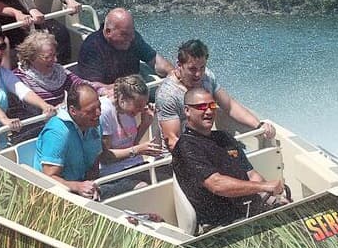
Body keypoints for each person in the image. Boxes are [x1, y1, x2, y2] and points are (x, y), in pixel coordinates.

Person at [171, 87, 287, 231]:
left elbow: (250, 174)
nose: (208, 111)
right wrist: (264, 187)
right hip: (223, 226)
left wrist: (274, 198)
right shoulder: (186, 147)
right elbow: (217, 185)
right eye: (201, 107)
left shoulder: (223, 137)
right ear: (187, 111)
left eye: (212, 105)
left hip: (252, 213)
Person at [155, 39, 275, 150]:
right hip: (179, 155)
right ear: (179, 65)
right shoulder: (167, 95)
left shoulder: (207, 76)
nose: (198, 74)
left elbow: (230, 106)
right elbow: (172, 139)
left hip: (206, 143)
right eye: (192, 69)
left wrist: (259, 125)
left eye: (202, 68)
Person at [33, 84, 128, 199]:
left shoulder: (95, 124)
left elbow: (95, 163)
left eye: (99, 107)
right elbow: (49, 177)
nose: (98, 113)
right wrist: (78, 187)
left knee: (138, 186)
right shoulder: (57, 132)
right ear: (73, 111)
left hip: (85, 188)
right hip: (58, 195)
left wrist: (91, 186)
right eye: (91, 111)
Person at [76, 7, 173, 93]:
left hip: (135, 84)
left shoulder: (133, 37)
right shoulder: (92, 48)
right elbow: (93, 87)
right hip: (113, 93)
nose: (131, 38)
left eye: (132, 32)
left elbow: (155, 60)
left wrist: (173, 73)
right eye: (124, 34)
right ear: (108, 32)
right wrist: (126, 87)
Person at [98, 75, 163, 199]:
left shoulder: (128, 110)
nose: (140, 110)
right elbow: (105, 157)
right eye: (138, 106)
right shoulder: (105, 112)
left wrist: (144, 124)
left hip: (135, 166)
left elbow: (131, 144)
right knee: (143, 187)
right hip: (113, 173)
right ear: (122, 99)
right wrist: (138, 150)